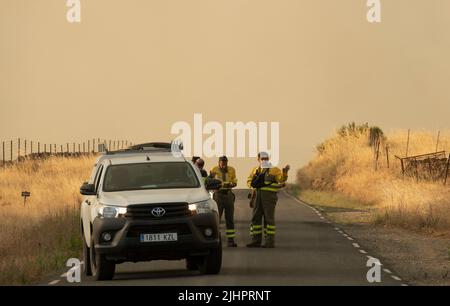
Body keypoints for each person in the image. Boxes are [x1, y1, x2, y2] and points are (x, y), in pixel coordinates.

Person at [246, 152, 290, 248]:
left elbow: (281, 179)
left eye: (266, 158)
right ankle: (256, 241)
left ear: (268, 159)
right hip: (257, 197)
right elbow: (249, 181)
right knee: (255, 218)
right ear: (258, 159)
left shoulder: (274, 170)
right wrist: (252, 187)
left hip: (269, 198)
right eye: (262, 158)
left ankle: (269, 242)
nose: (264, 160)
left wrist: (285, 172)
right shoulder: (255, 170)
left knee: (268, 219)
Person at [210, 156, 238, 247]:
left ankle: (231, 241)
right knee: (217, 218)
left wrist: (233, 183)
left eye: (225, 162)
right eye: (222, 162)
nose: (223, 164)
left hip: (228, 195)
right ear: (219, 162)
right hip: (218, 195)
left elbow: (234, 181)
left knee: (230, 219)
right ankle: (215, 240)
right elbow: (210, 181)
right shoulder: (214, 169)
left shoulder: (231, 169)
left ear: (227, 162)